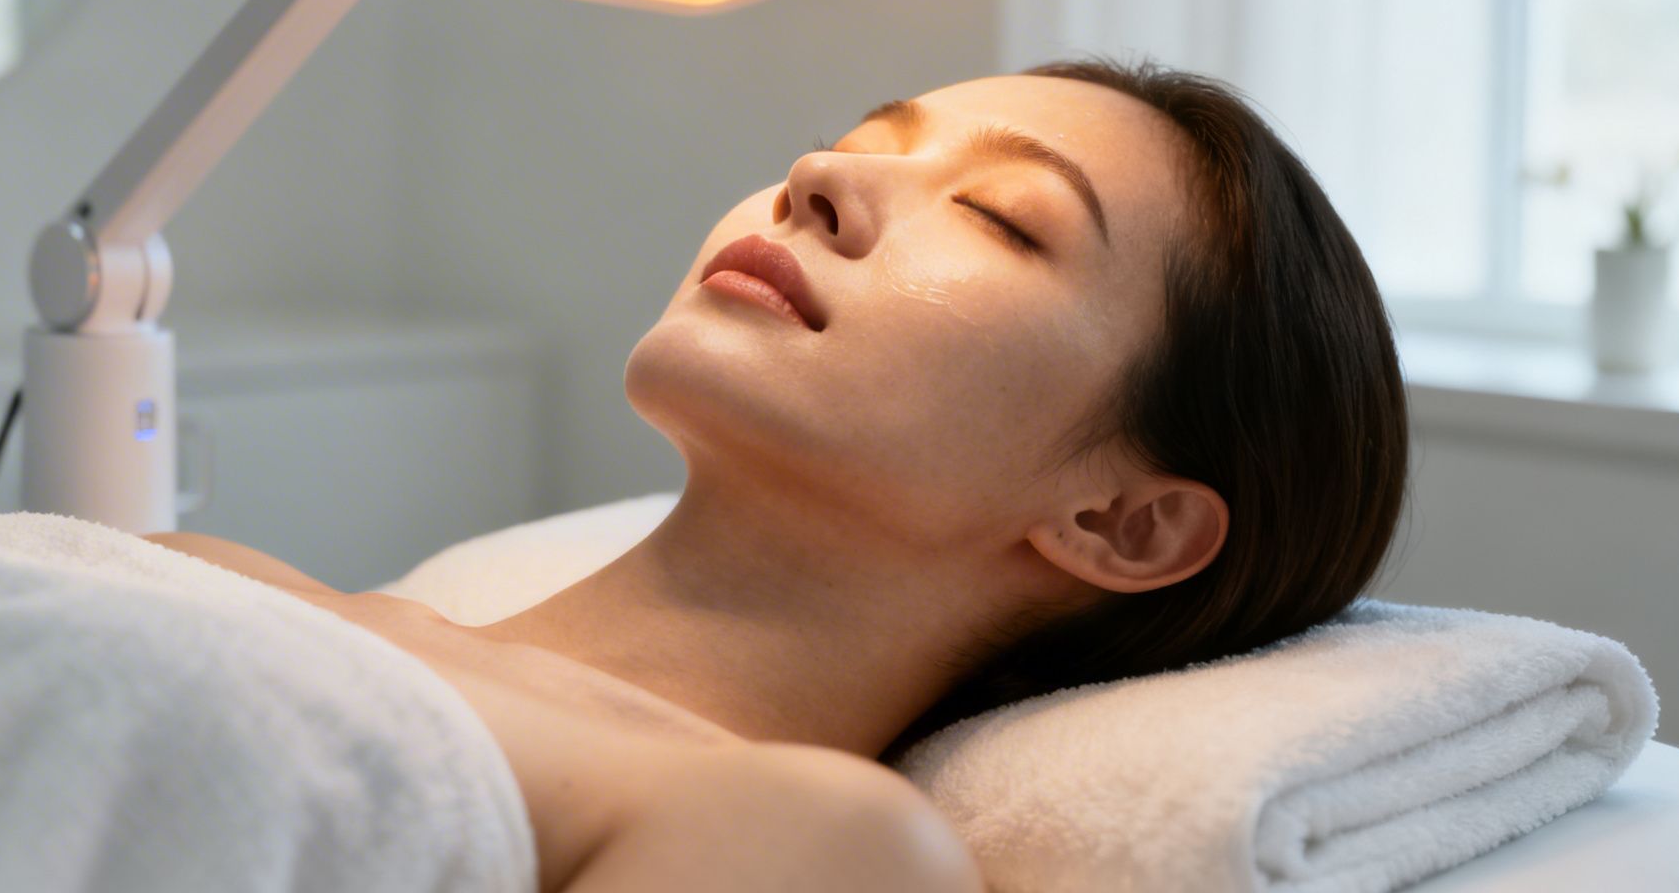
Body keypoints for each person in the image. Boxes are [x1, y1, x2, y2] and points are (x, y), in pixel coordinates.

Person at [146, 55, 1410, 892]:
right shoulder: (213, 577)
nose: (818, 180)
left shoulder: (814, 844)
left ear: (1121, 522)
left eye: (999, 217)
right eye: (851, 143)